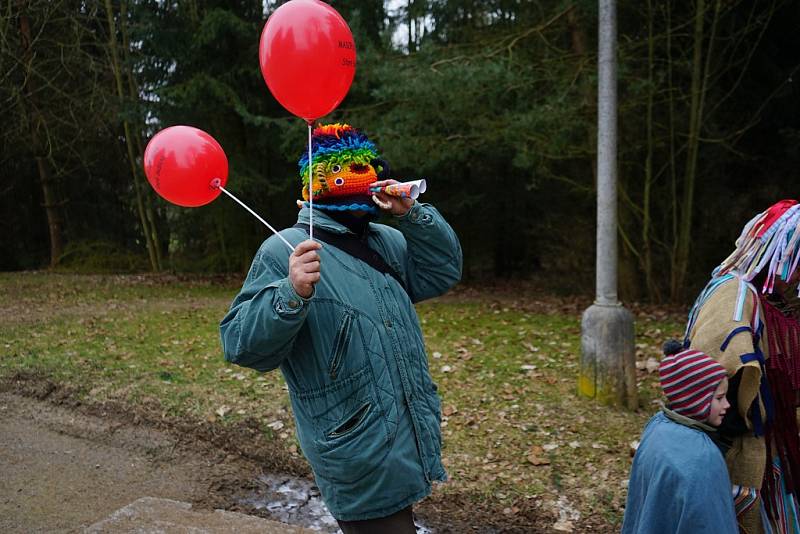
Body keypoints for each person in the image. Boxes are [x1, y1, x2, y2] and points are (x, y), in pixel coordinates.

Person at [219, 123, 462, 533]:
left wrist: (414, 215)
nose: (363, 173)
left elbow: (442, 272)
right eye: (348, 167)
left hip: (405, 433)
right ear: (318, 180)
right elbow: (239, 344)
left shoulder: (385, 240)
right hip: (354, 446)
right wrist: (290, 293)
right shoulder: (283, 250)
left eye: (367, 165)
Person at [684, 200, 800, 533]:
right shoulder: (734, 296)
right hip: (734, 448)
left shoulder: (774, 299)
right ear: (780, 252)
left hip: (772, 449)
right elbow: (710, 374)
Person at [621, 346, 738, 534]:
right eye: (719, 398)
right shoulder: (703, 455)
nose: (727, 404)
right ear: (695, 400)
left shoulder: (657, 426)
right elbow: (712, 523)